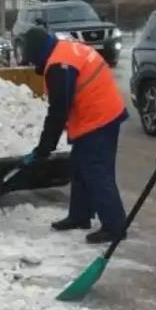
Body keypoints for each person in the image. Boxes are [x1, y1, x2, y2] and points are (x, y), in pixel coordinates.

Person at [21, 27, 128, 245]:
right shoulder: (63, 49)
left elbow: (58, 111)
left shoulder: (59, 67)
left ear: (38, 52)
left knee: (98, 172)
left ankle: (115, 226)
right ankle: (80, 216)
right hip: (99, 113)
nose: (34, 66)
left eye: (32, 60)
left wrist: (45, 147)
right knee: (79, 167)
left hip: (99, 118)